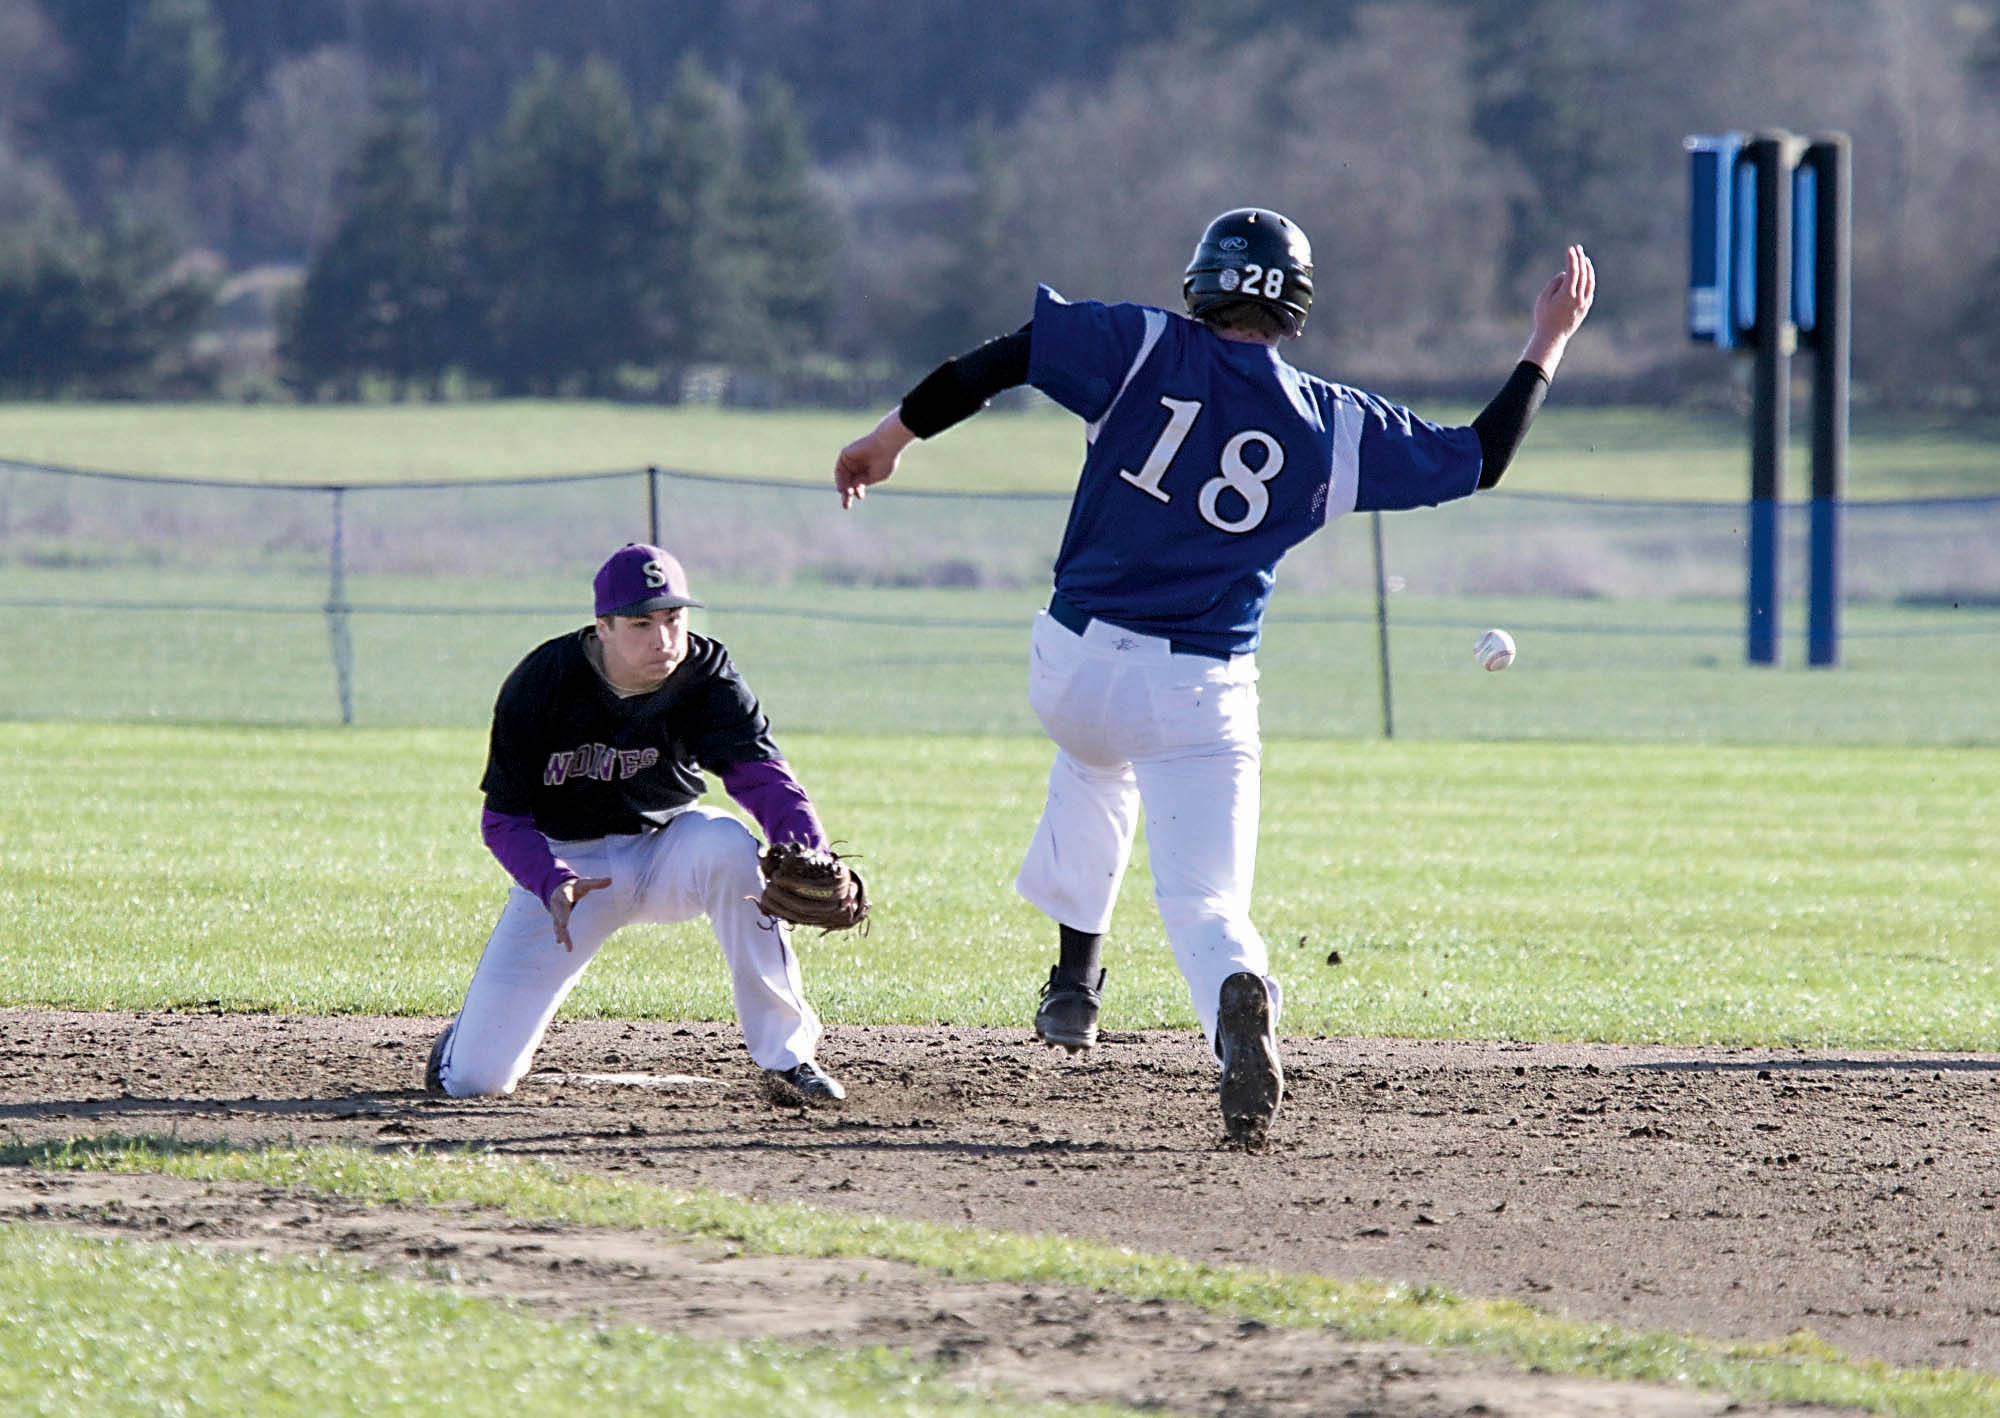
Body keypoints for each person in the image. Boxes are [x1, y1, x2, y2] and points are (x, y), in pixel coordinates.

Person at [832, 208, 1594, 1145]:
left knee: (1093, 762)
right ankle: (1234, 996)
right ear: (1296, 306)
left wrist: (890, 437)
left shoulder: (1142, 342)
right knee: (1204, 902)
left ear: (1201, 284)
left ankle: (1076, 981)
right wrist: (1546, 339)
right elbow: (1483, 458)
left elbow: (1003, 358)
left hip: (1072, 665)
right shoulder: (1332, 425)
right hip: (1200, 691)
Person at [425, 542, 849, 1104]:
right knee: (474, 1083)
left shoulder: (706, 674)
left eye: (674, 618)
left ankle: (788, 1058)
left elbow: (763, 778)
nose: (663, 638)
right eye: (641, 622)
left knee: (727, 846)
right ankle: (461, 1044)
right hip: (567, 871)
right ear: (603, 627)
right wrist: (551, 880)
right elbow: (503, 821)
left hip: (667, 853)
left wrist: (808, 850)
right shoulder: (541, 682)